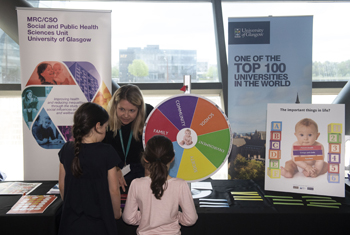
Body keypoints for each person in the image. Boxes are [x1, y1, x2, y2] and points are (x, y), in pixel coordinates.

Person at [58, 102, 122, 235]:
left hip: (71, 223)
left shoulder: (66, 149)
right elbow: (114, 190)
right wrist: (116, 213)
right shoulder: (107, 152)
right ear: (98, 126)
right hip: (100, 223)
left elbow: (62, 185)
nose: (106, 130)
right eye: (105, 126)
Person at [122, 135, 198, 234]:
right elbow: (190, 219)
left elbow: (128, 218)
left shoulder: (136, 184)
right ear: (172, 158)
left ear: (145, 158)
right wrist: (176, 215)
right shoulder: (180, 185)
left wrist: (145, 216)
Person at [104, 84, 154, 191]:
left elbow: (155, 148)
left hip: (142, 169)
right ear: (115, 107)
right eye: (122, 109)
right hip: (115, 169)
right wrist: (114, 169)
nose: (126, 115)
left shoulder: (149, 114)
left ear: (140, 110)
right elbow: (103, 152)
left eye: (132, 111)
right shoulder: (105, 120)